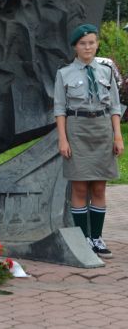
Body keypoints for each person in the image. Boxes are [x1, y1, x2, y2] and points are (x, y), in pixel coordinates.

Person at [54, 23, 123, 259]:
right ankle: (83, 238)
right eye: (82, 43)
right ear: (75, 47)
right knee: (80, 186)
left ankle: (97, 238)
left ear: (97, 44)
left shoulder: (105, 71)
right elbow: (60, 109)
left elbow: (114, 106)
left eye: (91, 42)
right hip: (77, 129)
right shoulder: (64, 73)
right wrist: (63, 139)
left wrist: (118, 135)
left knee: (100, 186)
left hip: (102, 129)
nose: (87, 47)